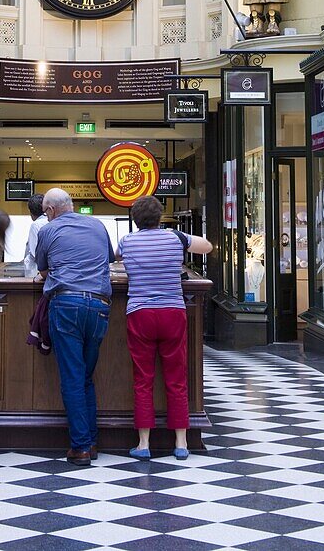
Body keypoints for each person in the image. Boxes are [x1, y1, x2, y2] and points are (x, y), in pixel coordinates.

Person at [117, 196, 212, 461]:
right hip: (173, 312)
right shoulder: (175, 238)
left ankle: (144, 443)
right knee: (177, 378)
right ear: (159, 217)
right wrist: (181, 238)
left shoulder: (127, 241)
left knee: (143, 379)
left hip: (140, 314)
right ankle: (181, 442)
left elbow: (112, 256)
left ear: (135, 219)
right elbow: (207, 246)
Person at [35, 188, 114, 466]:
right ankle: (91, 441)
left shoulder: (48, 230)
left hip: (66, 304)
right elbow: (109, 259)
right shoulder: (97, 224)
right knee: (85, 376)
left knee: (72, 376)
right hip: (99, 305)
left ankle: (80, 447)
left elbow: (43, 270)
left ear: (51, 211)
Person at [23, 194, 47, 277]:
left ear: (31, 211)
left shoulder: (36, 225)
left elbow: (35, 252)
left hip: (36, 271)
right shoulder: (51, 221)